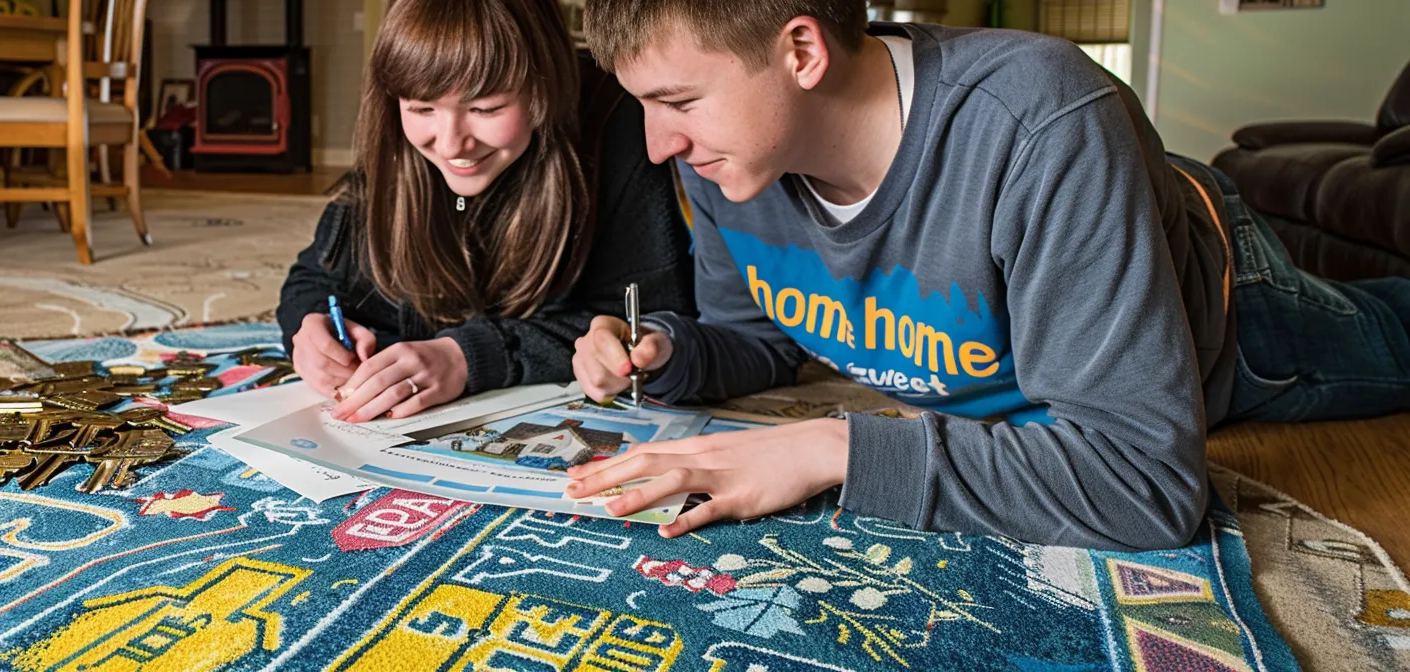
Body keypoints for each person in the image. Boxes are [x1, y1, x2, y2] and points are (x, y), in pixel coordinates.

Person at [565, 0, 1410, 548]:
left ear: (800, 51)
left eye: (678, 102)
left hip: (1221, 300)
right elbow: (762, 341)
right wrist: (669, 352)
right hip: (1065, 229)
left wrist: (838, 447)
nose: (656, 145)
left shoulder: (1042, 120)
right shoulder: (727, 162)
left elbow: (1142, 482)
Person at [276, 0, 695, 424]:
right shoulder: (394, 142)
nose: (452, 144)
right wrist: (308, 326)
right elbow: (314, 279)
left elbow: (649, 322)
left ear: (543, 87)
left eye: (485, 109)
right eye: (422, 108)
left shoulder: (615, 121)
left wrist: (469, 357)